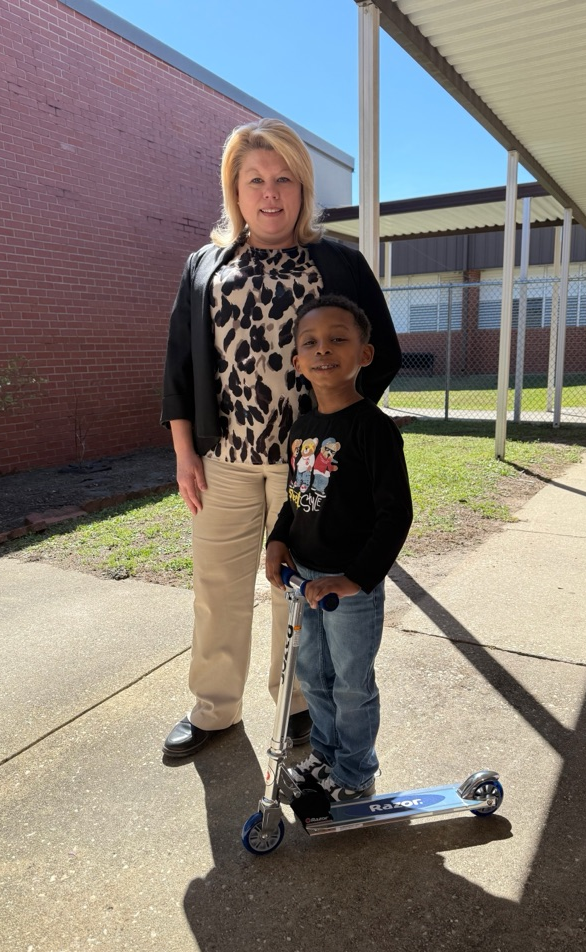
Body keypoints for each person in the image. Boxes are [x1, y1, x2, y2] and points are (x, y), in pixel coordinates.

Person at [161, 119, 402, 758]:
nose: (270, 193)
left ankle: (295, 703)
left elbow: (385, 352)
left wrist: (343, 429)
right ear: (235, 190)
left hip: (310, 468)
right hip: (224, 462)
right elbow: (180, 368)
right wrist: (185, 451)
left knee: (291, 588)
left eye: (283, 179)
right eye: (255, 180)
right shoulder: (204, 266)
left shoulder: (340, 263)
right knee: (218, 590)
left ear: (302, 187)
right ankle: (214, 709)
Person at [265, 295, 412, 800]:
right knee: (314, 674)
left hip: (349, 587)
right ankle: (325, 758)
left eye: (338, 338)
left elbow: (397, 515)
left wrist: (355, 578)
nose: (323, 349)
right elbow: (296, 496)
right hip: (303, 579)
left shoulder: (374, 429)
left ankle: (354, 772)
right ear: (297, 361)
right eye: (310, 342)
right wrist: (278, 539)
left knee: (351, 682)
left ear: (364, 355)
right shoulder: (303, 429)